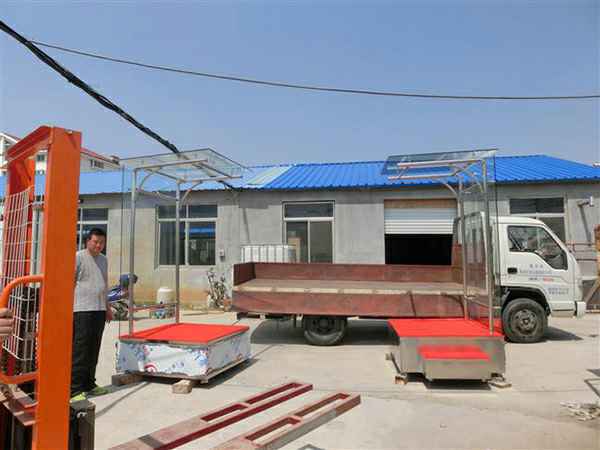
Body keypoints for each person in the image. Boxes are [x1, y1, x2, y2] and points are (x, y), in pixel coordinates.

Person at [71, 228, 112, 402]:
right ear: (87, 241)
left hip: (99, 309)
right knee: (80, 349)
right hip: (82, 309)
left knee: (94, 348)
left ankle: (89, 384)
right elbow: (70, 282)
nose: (98, 245)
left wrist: (107, 307)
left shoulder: (104, 259)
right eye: (95, 242)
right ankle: (74, 389)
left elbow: (104, 283)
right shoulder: (78, 257)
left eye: (102, 242)